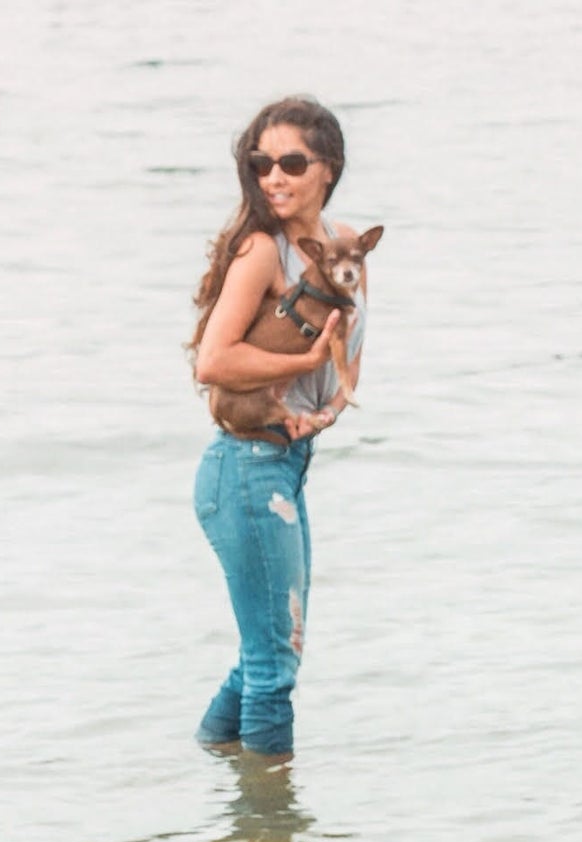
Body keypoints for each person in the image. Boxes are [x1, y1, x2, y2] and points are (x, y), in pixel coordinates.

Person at [188, 97, 366, 760]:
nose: (273, 177)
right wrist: (305, 362)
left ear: (328, 167)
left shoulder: (343, 246)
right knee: (273, 668)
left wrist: (328, 404)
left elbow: (350, 351)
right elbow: (214, 361)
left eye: (292, 162)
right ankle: (270, 841)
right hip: (245, 466)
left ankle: (215, 774)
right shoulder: (263, 251)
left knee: (267, 655)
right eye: (261, 163)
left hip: (284, 463)